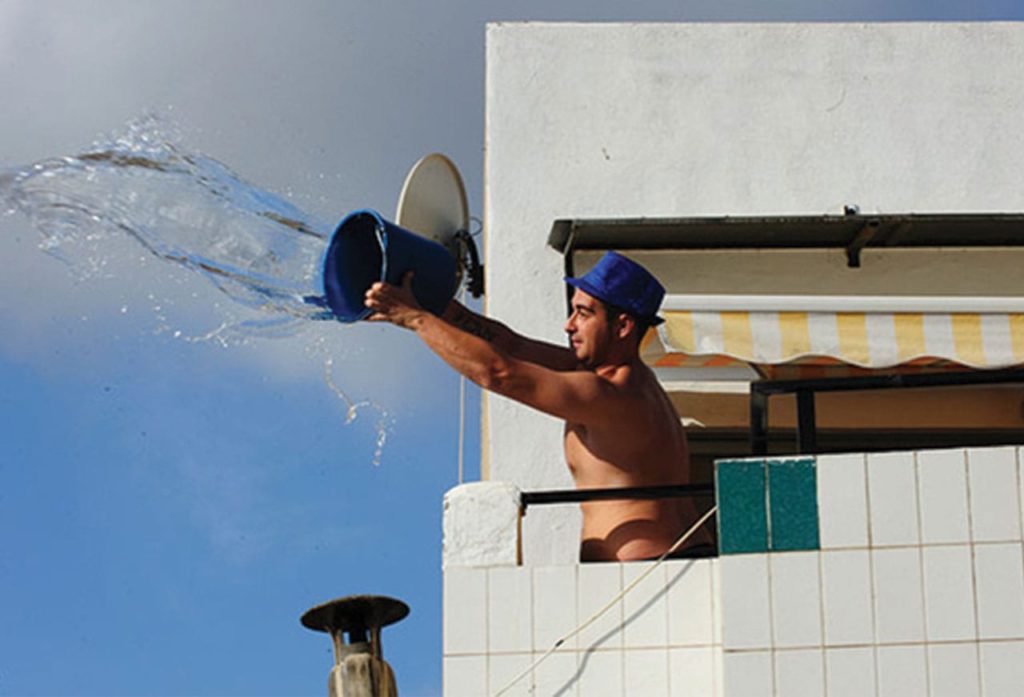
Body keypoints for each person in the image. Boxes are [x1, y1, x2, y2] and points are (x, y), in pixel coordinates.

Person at [364, 251, 712, 562]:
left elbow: (500, 373)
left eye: (583, 313)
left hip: (654, 571)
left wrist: (415, 319)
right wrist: (429, 304)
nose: (568, 325)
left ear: (622, 326)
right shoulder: (616, 379)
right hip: (663, 565)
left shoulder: (611, 393)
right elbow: (509, 344)